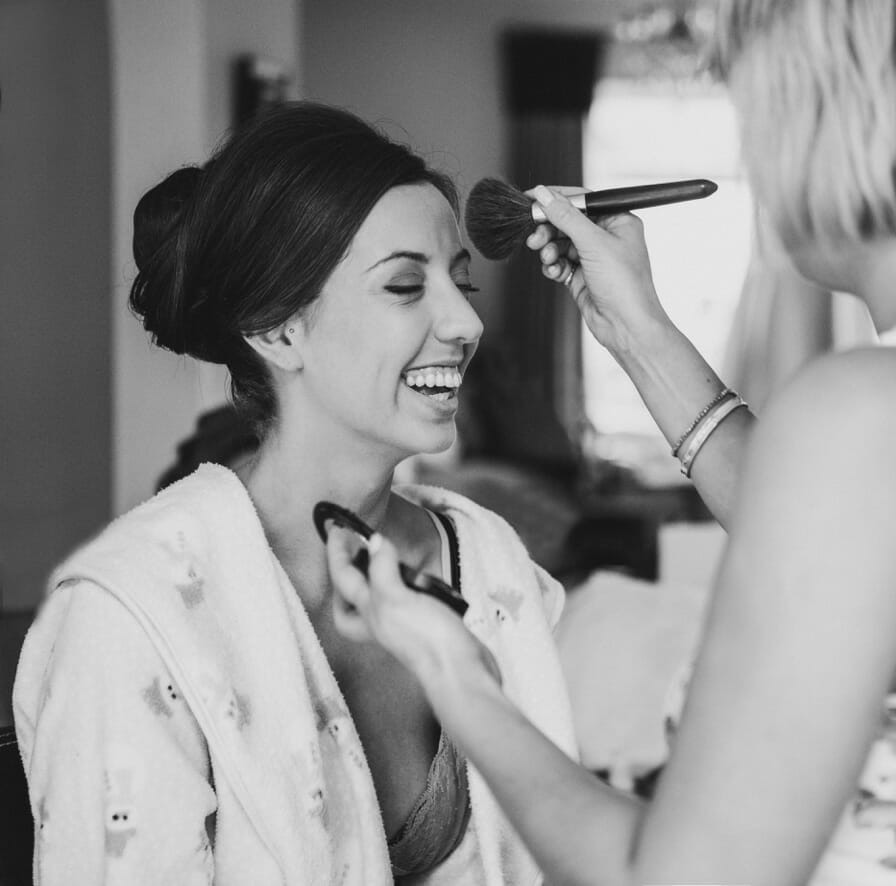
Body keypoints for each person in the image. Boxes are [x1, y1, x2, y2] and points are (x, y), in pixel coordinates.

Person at [323, 1, 896, 884]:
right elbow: (870, 552)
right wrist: (638, 330)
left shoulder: (875, 416)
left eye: (754, 108)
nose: (753, 154)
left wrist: (456, 669)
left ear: (828, 116)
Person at [12, 102, 576, 886]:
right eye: (407, 286)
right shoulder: (131, 619)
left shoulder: (489, 562)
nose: (465, 323)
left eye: (462, 281)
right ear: (278, 330)